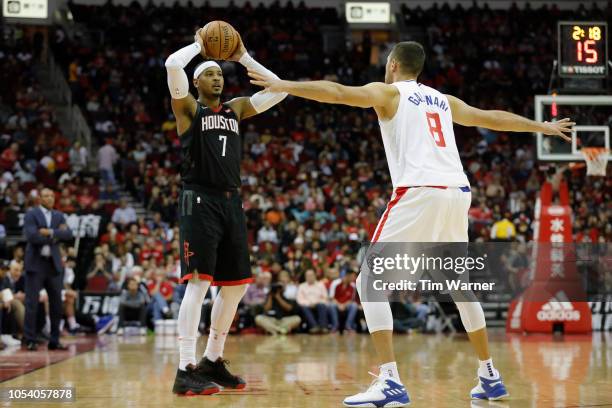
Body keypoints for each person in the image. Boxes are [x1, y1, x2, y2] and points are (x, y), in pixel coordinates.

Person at [249, 41, 574, 406]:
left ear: (392, 65)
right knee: (458, 285)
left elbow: (338, 92)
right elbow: (490, 116)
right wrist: (539, 126)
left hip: (420, 191)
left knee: (368, 280)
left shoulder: (388, 93)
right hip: (457, 192)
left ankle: (389, 381)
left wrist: (285, 85)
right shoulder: (442, 100)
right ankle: (489, 375)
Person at [164, 28, 287, 396]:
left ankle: (212, 360)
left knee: (236, 287)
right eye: (210, 73)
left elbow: (280, 89)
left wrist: (244, 56)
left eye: (220, 73)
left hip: (232, 201)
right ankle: (185, 367)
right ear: (197, 82)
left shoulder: (235, 108)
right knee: (200, 282)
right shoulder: (188, 108)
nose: (218, 77)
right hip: (198, 199)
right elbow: (172, 63)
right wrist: (200, 47)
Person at [23, 188, 74, 351]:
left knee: (57, 304)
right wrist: (56, 235)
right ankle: (30, 339)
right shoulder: (31, 214)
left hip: (53, 264)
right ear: (39, 198)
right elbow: (32, 236)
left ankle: (54, 340)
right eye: (46, 195)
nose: (50, 198)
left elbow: (68, 235)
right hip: (36, 264)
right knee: (32, 303)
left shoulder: (59, 215)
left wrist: (49, 231)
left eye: (52, 195)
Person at [296, 269, 330, 334]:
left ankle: (323, 327)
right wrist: (309, 303)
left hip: (319, 304)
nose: (310, 277)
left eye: (311, 275)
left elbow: (325, 297)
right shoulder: (301, 286)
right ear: (305, 277)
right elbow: (299, 299)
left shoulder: (321, 285)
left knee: (321, 305)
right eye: (308, 276)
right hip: (307, 305)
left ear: (315, 275)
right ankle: (314, 326)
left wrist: (316, 302)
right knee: (304, 307)